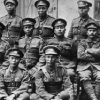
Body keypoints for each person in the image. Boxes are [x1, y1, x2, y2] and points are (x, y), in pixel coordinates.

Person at [77, 21, 100, 100]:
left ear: (97, 31)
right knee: (85, 77)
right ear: (87, 32)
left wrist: (88, 50)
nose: (92, 32)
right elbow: (80, 55)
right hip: (84, 66)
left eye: (94, 30)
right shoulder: (82, 42)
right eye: (90, 30)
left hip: (97, 65)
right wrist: (95, 57)